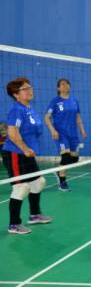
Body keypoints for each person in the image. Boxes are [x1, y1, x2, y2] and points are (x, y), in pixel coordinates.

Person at [2, 77, 52, 235]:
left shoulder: (29, 108)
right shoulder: (17, 110)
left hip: (27, 153)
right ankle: (14, 224)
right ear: (16, 94)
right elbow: (12, 133)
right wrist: (24, 148)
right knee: (21, 187)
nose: (30, 90)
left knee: (39, 182)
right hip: (15, 153)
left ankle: (34, 215)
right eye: (25, 89)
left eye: (30, 87)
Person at [44, 78, 86, 191]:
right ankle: (62, 183)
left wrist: (82, 130)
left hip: (73, 133)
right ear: (58, 88)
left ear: (70, 87)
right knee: (66, 158)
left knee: (74, 159)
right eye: (62, 84)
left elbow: (78, 117)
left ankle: (59, 170)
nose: (65, 85)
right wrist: (53, 130)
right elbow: (47, 118)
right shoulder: (55, 101)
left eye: (67, 84)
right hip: (61, 133)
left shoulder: (74, 101)